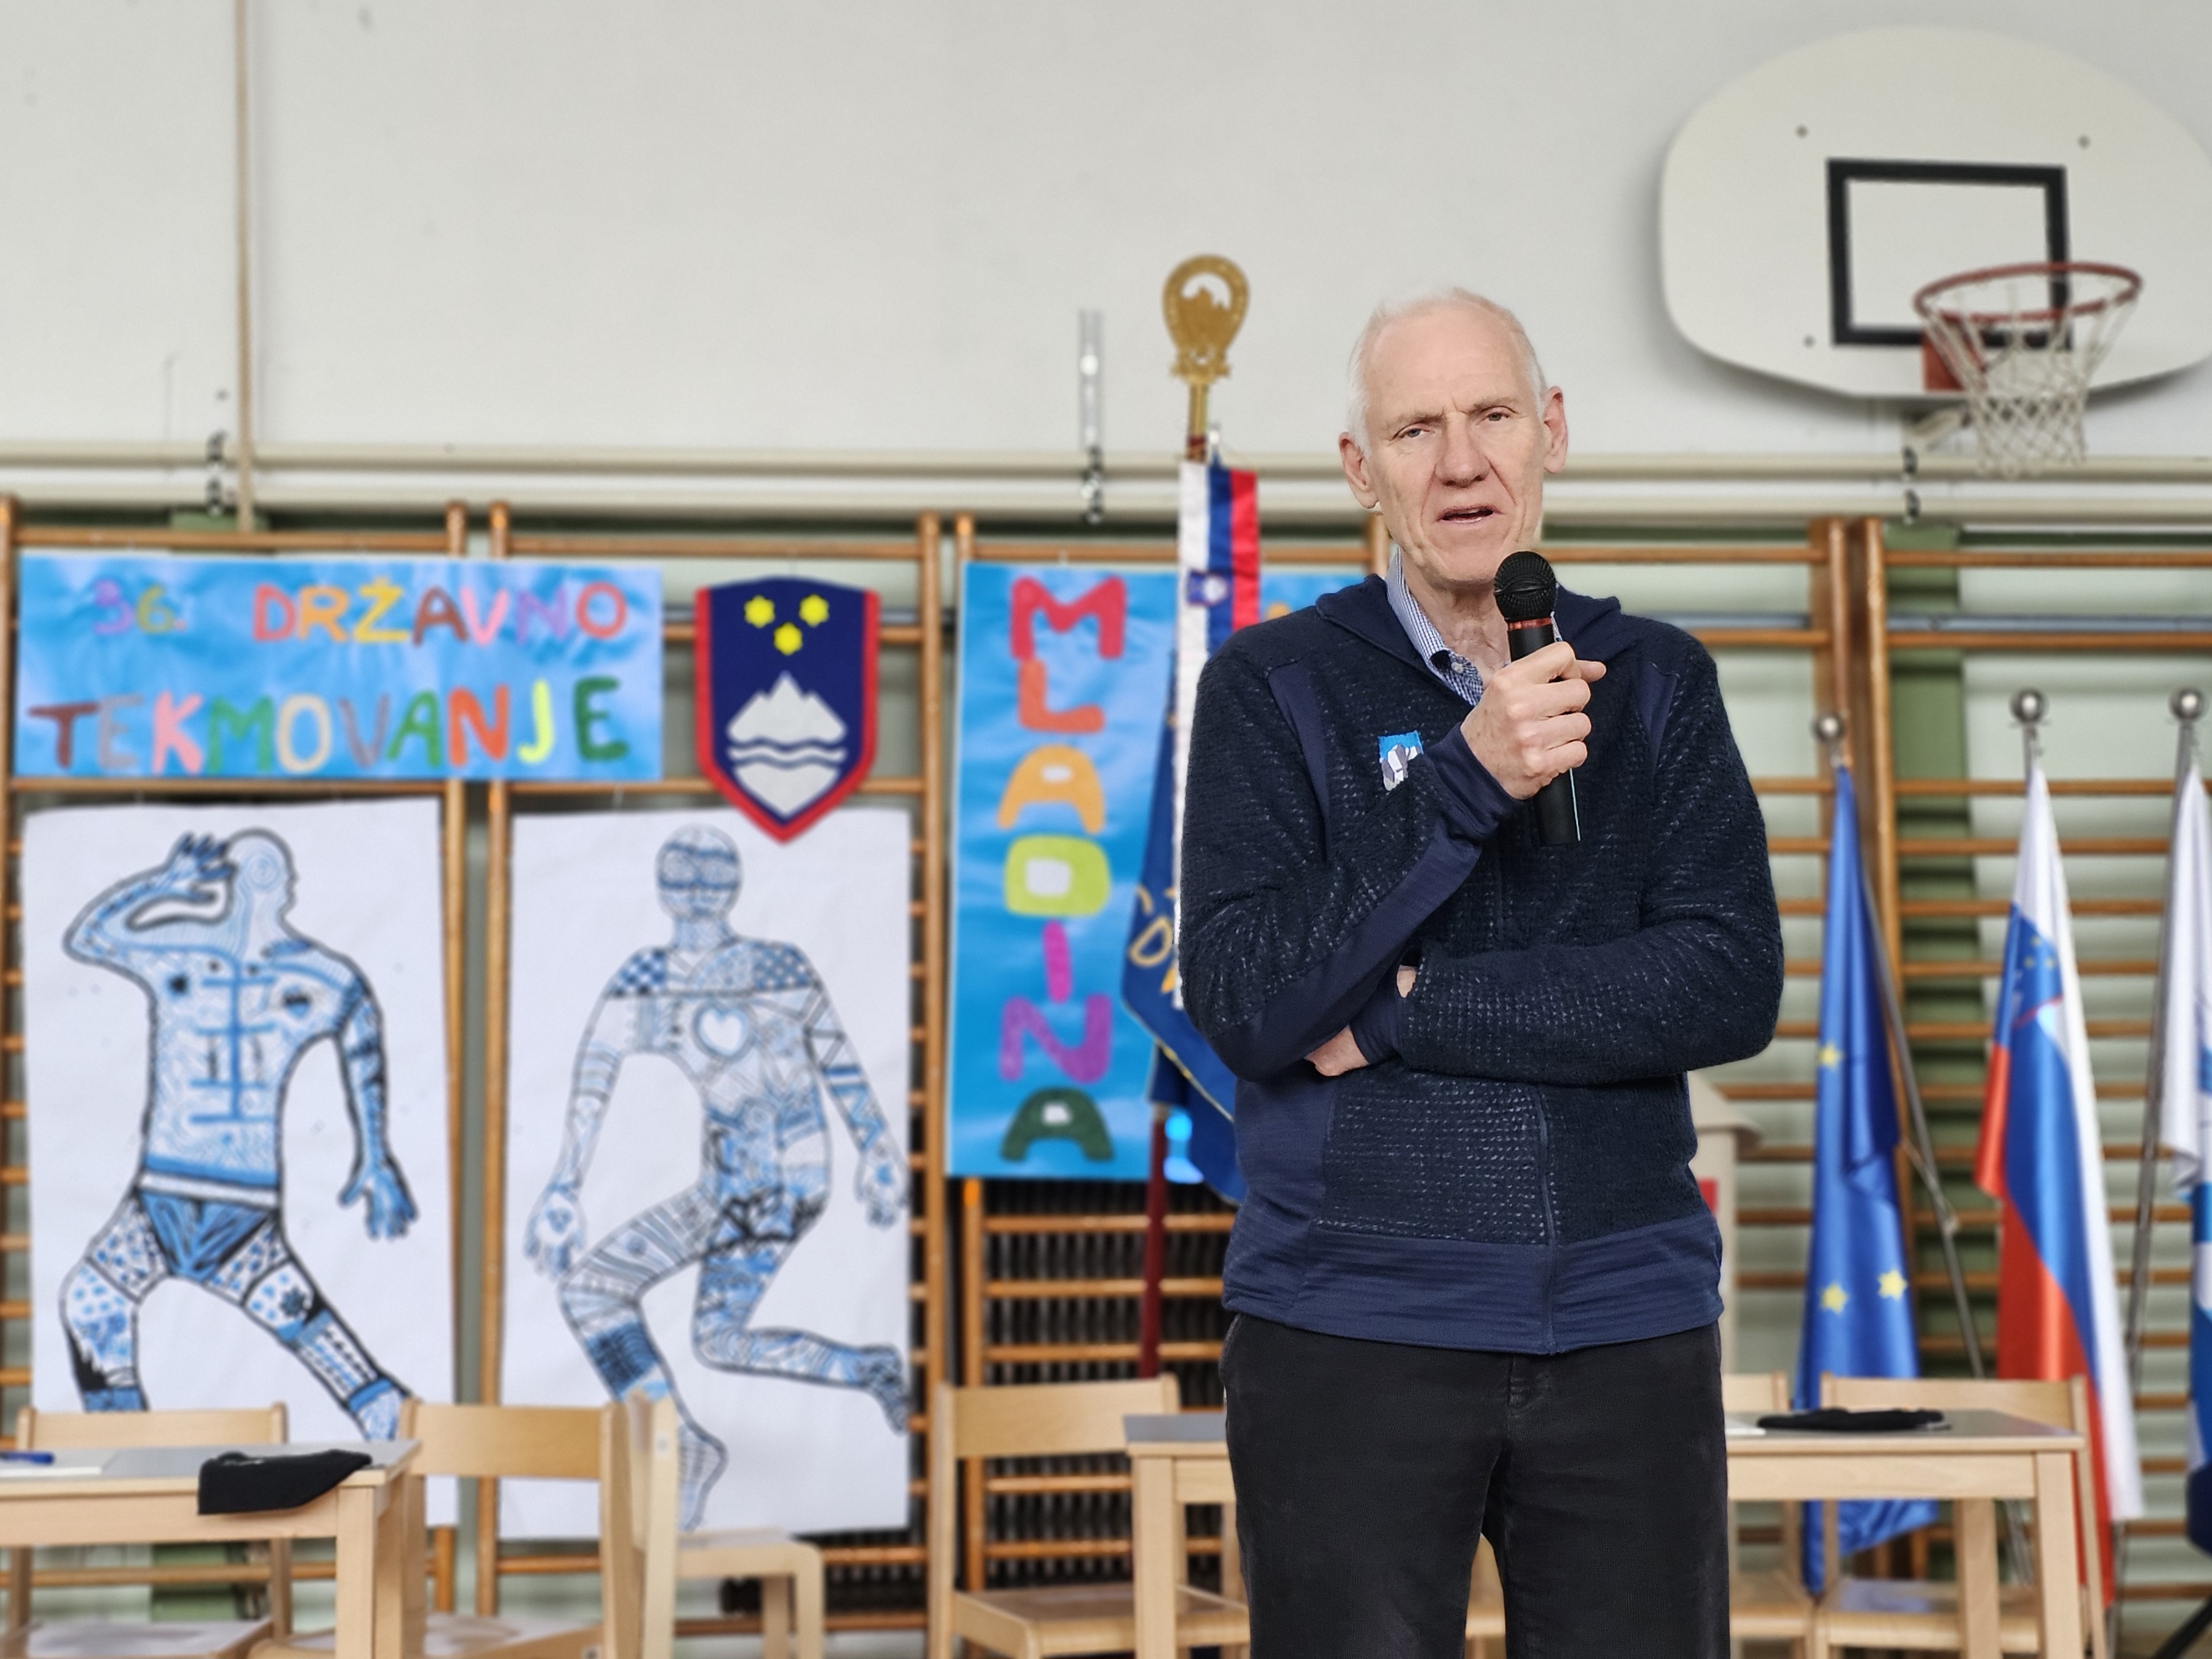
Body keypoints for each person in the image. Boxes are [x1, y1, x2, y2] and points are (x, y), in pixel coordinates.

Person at [1179, 291, 1783, 1658]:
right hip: (1348, 1327)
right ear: (1360, 467)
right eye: (1414, 429)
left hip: (1628, 1324)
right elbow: (1250, 997)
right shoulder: (1269, 685)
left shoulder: (1657, 680)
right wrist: (1465, 779)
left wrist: (1408, 1011)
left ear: (1549, 430)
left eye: (1491, 414)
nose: (1459, 461)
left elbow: (1723, 980)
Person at [524, 824, 908, 1529]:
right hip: (749, 1185)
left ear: (731, 887)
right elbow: (594, 1072)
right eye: (685, 878)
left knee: (591, 1289)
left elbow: (838, 1057)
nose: (698, 894)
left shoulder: (776, 967)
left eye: (709, 879)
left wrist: (879, 1150)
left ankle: (684, 1448)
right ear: (665, 889)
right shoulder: (649, 980)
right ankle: (865, 1367)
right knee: (719, 1340)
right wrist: (564, 1182)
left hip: (768, 1186)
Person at [61, 831, 415, 1437]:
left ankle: (126, 1445)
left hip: (214, 1204)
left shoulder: (310, 974)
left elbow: (362, 1031)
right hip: (175, 1196)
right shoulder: (198, 953)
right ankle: (126, 1450)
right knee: (93, 1300)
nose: (279, 884)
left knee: (93, 1299)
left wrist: (376, 1152)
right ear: (273, 884)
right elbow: (85, 938)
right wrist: (162, 883)